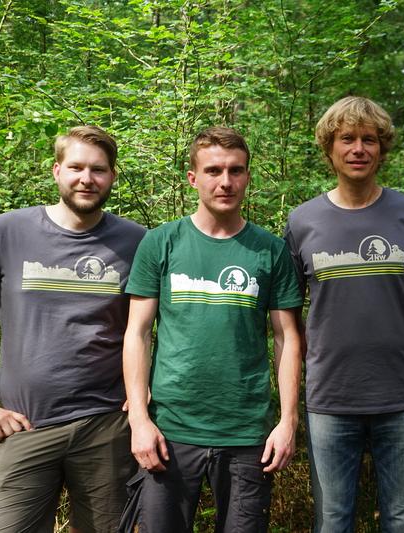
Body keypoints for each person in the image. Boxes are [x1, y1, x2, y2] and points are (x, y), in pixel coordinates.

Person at [0, 126, 146, 532]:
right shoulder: (9, 231)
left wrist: (146, 393)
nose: (87, 178)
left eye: (98, 169)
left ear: (113, 176)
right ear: (56, 171)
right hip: (25, 425)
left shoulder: (136, 241)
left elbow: (155, 324)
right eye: (76, 167)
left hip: (106, 427)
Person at [122, 126, 302, 532]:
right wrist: (139, 420)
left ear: (247, 176)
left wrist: (287, 421)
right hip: (170, 428)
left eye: (236, 171)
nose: (225, 182)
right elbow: (137, 333)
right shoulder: (161, 242)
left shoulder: (270, 250)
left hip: (246, 431)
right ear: (193, 178)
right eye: (214, 170)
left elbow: (287, 337)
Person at [284, 96, 404, 532]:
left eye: (369, 140)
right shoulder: (302, 221)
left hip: (403, 396)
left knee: (403, 518)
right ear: (329, 148)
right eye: (347, 139)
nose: (359, 148)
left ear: (382, 148)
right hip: (331, 397)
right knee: (333, 520)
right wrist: (312, 356)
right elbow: (287, 311)